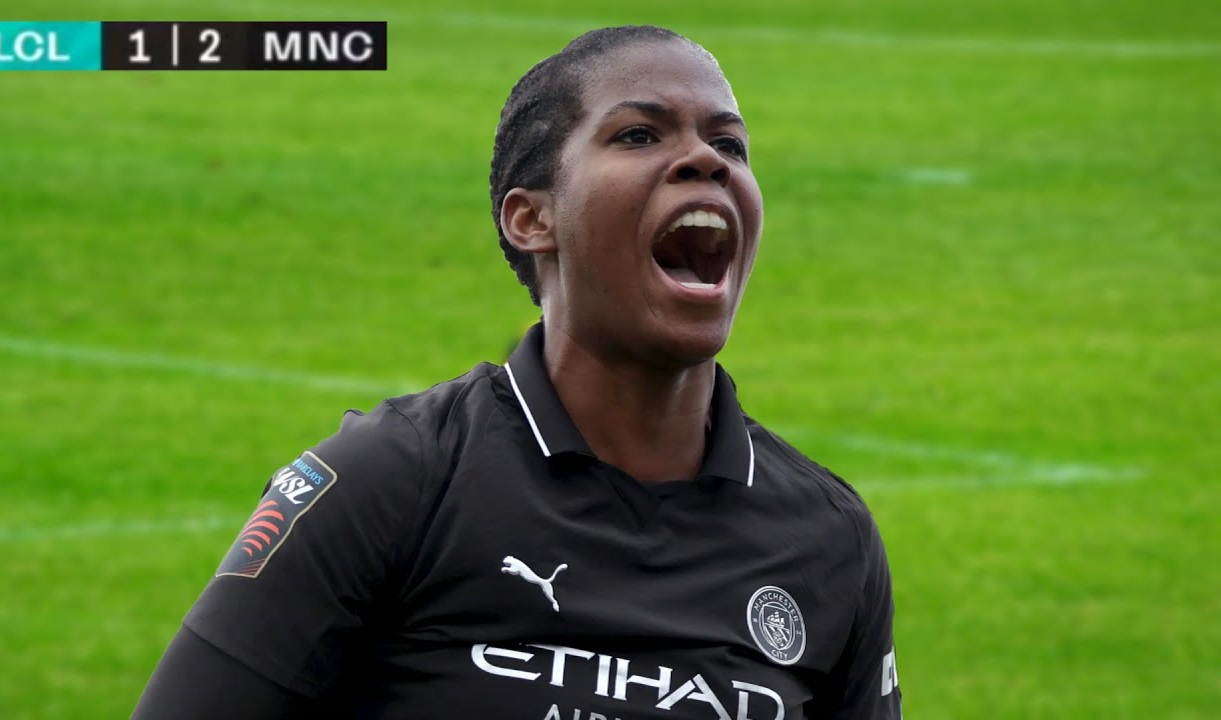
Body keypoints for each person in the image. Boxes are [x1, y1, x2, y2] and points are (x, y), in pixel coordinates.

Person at [133, 25, 902, 719]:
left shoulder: (829, 539)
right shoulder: (395, 481)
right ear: (531, 219)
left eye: (730, 146)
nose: (705, 159)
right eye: (638, 134)